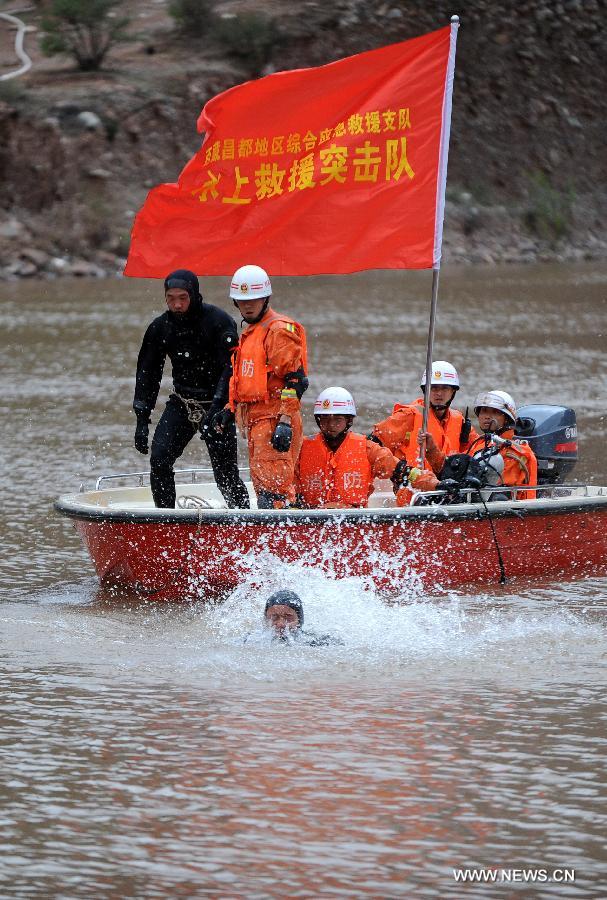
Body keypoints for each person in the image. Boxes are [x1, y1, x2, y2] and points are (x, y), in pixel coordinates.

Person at [133, 269, 249, 509]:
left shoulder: (218, 321)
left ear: (194, 295)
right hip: (182, 402)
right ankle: (164, 518)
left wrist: (219, 409)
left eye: (182, 298)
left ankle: (244, 521)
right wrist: (142, 419)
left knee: (225, 473)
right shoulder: (160, 327)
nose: (176, 305)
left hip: (218, 404)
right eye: (171, 298)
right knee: (160, 459)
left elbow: (231, 370)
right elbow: (148, 373)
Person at [213, 264, 309, 509]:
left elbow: (296, 380)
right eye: (242, 301)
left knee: (275, 493)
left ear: (265, 298)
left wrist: (285, 422)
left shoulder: (277, 331)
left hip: (275, 419)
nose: (247, 305)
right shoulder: (252, 333)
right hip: (258, 421)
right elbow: (245, 380)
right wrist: (229, 409)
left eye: (253, 300)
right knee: (265, 489)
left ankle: (280, 540)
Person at [296, 387, 409, 508]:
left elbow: (401, 470)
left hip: (354, 519)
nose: (331, 425)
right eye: (325, 419)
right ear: (318, 421)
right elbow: (286, 485)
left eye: (337, 420)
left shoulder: (367, 448)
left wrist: (430, 483)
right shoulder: (301, 449)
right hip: (311, 519)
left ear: (348, 421)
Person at [371, 360, 479, 475]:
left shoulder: (459, 421)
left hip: (448, 486)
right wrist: (398, 469)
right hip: (413, 488)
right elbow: (373, 445)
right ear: (425, 390)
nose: (439, 393)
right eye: (434, 388)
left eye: (445, 388)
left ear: (453, 391)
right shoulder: (408, 415)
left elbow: (477, 448)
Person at [466, 390, 538, 499]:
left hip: (505, 506)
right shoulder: (478, 444)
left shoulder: (516, 453)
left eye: (495, 412)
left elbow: (498, 487)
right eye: (484, 411)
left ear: (507, 418)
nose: (487, 416)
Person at [261, 590, 342, 646]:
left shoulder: (319, 643)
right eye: (274, 618)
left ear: (299, 620)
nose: (281, 624)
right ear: (265, 620)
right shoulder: (251, 641)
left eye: (288, 618)